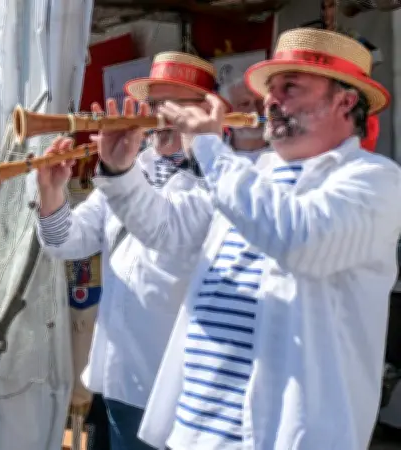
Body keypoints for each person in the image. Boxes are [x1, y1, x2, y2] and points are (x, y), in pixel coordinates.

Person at [84, 28, 401, 449]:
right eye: (272, 89)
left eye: (290, 87)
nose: (272, 101)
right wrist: (120, 173)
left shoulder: (374, 180)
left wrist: (209, 147)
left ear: (345, 101)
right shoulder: (252, 174)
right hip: (196, 432)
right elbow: (169, 231)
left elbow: (301, 240)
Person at [37, 52, 227, 450]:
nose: (161, 115)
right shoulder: (134, 165)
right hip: (122, 371)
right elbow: (68, 243)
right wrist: (51, 194)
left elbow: (165, 229)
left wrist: (118, 173)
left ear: (207, 111)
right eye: (155, 104)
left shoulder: (220, 178)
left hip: (181, 377)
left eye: (176, 104)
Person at [220, 77, 268, 162]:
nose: (255, 112)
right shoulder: (214, 155)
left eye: (260, 102)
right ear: (226, 110)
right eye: (244, 104)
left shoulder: (288, 153)